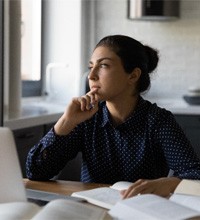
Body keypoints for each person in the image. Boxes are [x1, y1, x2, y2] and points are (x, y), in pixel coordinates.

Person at [26, 35, 200, 199]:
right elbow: (35, 172)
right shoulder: (86, 119)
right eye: (90, 66)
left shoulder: (159, 121)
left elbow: (195, 174)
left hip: (140, 212)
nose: (91, 75)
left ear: (133, 75)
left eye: (103, 65)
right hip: (91, 210)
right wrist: (65, 122)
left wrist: (169, 183)